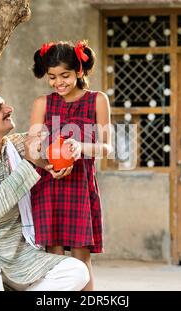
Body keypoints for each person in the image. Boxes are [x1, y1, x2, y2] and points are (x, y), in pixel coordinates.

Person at [0, 83, 89, 291]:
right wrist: (29, 163)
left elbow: (51, 141)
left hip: (20, 257)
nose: (9, 109)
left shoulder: (15, 146)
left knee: (76, 271)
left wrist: (69, 148)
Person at [29, 40, 112, 291]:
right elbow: (31, 149)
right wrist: (46, 165)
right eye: (52, 77)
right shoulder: (42, 103)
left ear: (79, 71)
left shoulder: (97, 100)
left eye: (65, 75)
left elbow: (107, 148)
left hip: (80, 187)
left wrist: (80, 148)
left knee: (80, 258)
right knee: (53, 258)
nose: (58, 83)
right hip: (49, 184)